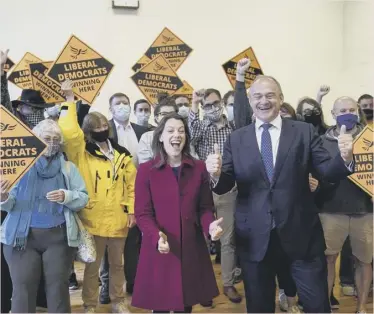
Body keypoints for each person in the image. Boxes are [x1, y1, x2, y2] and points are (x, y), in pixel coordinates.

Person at [205, 74, 354, 313]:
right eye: (258, 96)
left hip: (301, 234)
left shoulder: (304, 132)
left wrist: (344, 159)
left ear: (281, 99)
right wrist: (214, 174)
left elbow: (327, 171)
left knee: (317, 304)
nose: (264, 101)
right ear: (251, 101)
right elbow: (224, 185)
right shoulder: (237, 139)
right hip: (255, 237)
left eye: (270, 95)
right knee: (260, 306)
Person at [132, 113, 222, 312]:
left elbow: (204, 208)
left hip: (190, 246)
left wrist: (210, 226)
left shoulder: (198, 168)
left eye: (181, 131)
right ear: (161, 136)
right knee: (160, 306)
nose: (177, 135)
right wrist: (156, 236)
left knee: (185, 304)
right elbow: (142, 214)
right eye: (171, 130)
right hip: (160, 246)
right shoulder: (147, 170)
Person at [0, 119, 88, 313]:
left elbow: (83, 198)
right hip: (21, 238)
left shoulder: (68, 168)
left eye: (56, 139)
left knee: (58, 288)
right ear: (35, 140)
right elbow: (9, 205)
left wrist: (67, 195)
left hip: (58, 237)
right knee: (22, 289)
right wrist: (3, 196)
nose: (52, 143)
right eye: (46, 138)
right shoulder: (19, 167)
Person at [58, 100, 136, 313]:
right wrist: (69, 101)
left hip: (119, 219)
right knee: (92, 267)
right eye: (97, 128)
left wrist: (132, 209)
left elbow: (131, 186)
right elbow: (69, 132)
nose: (102, 131)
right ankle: (89, 305)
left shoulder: (123, 154)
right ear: (88, 131)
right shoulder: (81, 153)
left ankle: (119, 302)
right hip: (92, 220)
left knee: (118, 266)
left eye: (104, 127)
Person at [317, 97, 372, 314]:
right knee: (328, 259)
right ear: (332, 114)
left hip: (366, 211)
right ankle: (325, 306)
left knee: (364, 261)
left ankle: (361, 308)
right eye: (342, 110)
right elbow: (318, 174)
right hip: (331, 210)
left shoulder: (370, 138)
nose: (347, 113)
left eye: (351, 109)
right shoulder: (322, 141)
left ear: (358, 112)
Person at [188, 88, 242, 303]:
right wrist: (194, 103)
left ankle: (228, 283)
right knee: (200, 240)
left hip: (228, 189)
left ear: (221, 103)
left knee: (228, 240)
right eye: (206, 105)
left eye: (215, 103)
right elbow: (190, 131)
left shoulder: (234, 128)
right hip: (202, 190)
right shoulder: (201, 127)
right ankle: (202, 287)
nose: (212, 108)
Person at [98, 93, 148, 304]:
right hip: (111, 196)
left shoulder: (142, 131)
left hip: (137, 193)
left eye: (125, 103)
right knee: (109, 243)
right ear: (110, 109)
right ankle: (106, 285)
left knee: (133, 243)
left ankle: (134, 282)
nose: (122, 107)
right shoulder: (104, 131)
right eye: (117, 104)